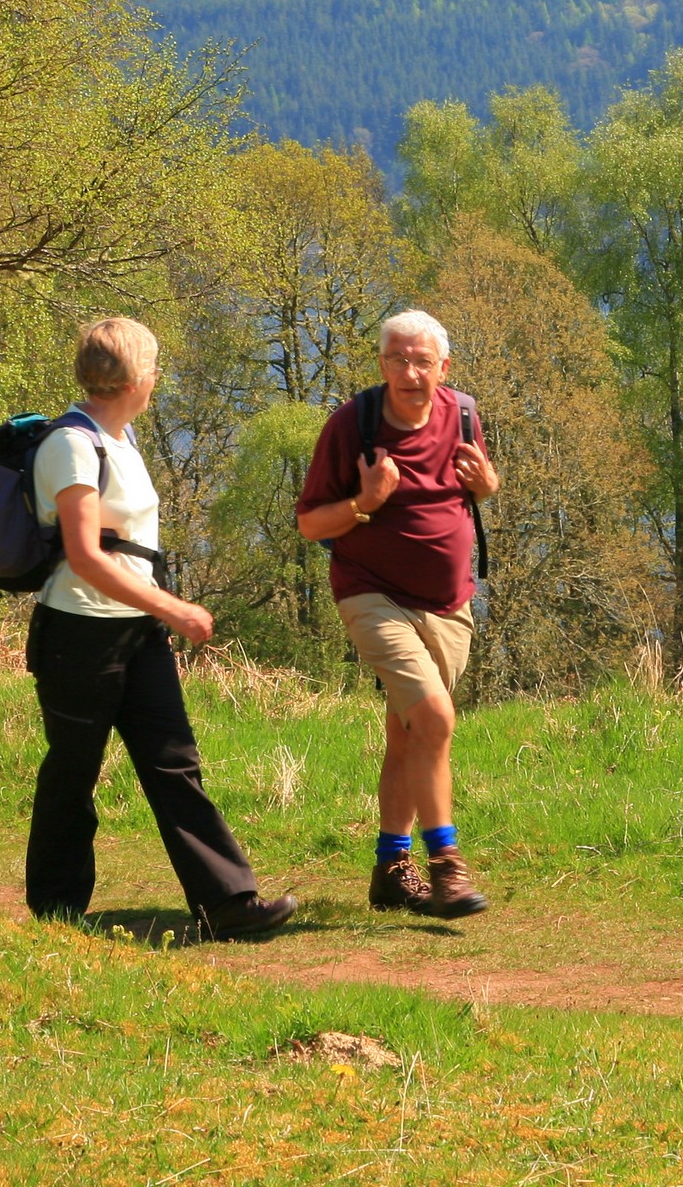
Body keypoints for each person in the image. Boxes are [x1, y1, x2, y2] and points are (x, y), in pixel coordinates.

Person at [26, 316, 296, 941]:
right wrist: (170, 607)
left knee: (174, 763)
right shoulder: (71, 444)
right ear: (135, 377)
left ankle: (228, 903)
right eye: (153, 368)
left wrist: (153, 614)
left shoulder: (119, 439)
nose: (157, 378)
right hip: (79, 633)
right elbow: (86, 555)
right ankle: (57, 912)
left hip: (135, 634)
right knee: (74, 769)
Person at [295, 309, 501, 917]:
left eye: (422, 361)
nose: (409, 372)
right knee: (434, 717)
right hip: (370, 593)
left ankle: (390, 867)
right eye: (397, 360)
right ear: (381, 362)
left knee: (409, 732)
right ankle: (448, 866)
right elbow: (310, 524)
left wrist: (487, 486)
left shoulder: (462, 414)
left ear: (444, 366)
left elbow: (471, 490)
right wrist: (365, 502)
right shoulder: (351, 425)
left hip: (450, 604)